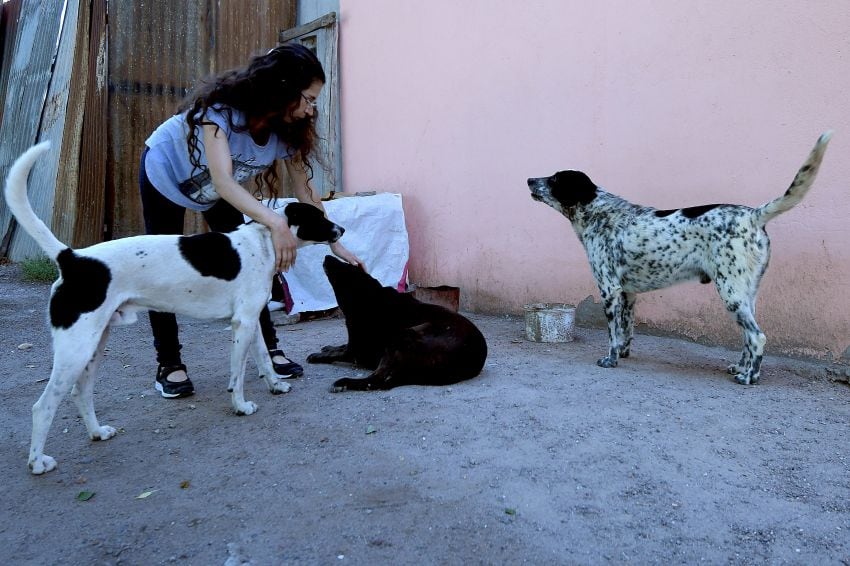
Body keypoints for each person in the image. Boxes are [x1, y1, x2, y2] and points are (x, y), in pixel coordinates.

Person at [139, 43, 362, 398]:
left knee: (253, 267)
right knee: (160, 268)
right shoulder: (220, 113)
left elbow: (307, 193)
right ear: (282, 88)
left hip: (214, 191)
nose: (310, 109)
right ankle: (169, 363)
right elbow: (225, 180)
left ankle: (269, 350)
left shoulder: (287, 132)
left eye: (315, 100)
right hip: (165, 174)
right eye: (307, 98)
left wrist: (336, 241)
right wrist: (275, 223)